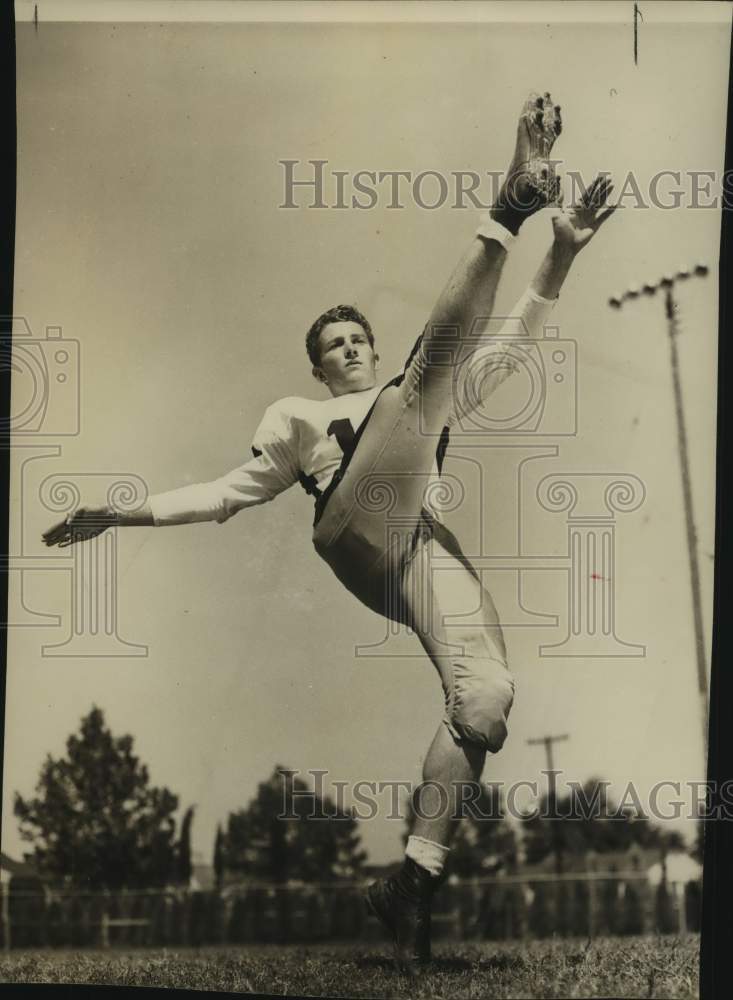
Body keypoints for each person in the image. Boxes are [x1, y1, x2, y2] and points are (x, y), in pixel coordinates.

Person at [42, 93, 615, 970]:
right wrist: (123, 512)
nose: (348, 348)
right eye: (333, 343)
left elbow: (511, 346)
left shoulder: (421, 400)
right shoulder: (303, 413)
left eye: (357, 338)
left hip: (412, 540)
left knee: (486, 699)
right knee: (429, 378)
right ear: (316, 364)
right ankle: (508, 204)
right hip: (350, 524)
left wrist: (564, 256)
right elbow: (231, 490)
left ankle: (411, 881)